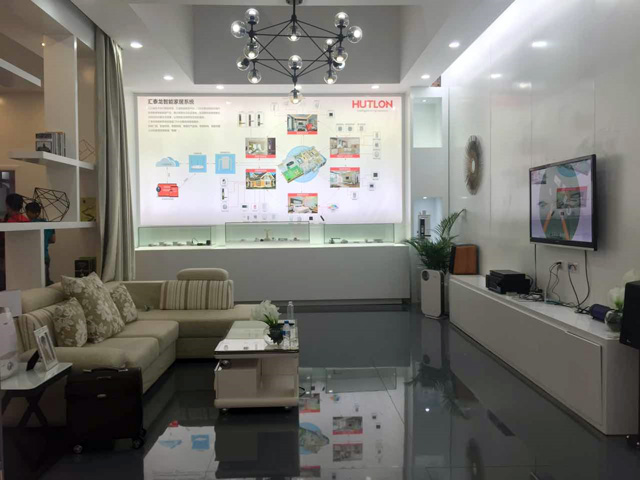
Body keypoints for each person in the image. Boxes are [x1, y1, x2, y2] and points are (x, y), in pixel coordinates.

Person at [25, 202, 56, 286]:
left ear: (30, 212)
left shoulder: (29, 225)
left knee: (35, 282)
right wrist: (44, 240)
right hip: (45, 256)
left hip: (34, 257)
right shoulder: (49, 224)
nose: (26, 214)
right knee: (45, 280)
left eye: (27, 212)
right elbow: (53, 240)